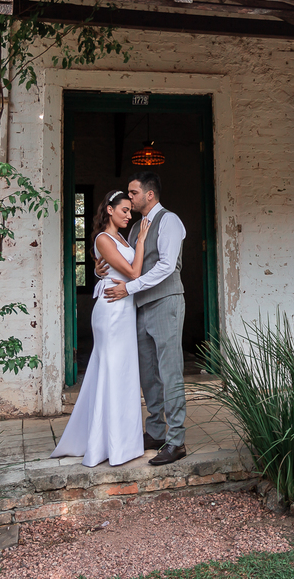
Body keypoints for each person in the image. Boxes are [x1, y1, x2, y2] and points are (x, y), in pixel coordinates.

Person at [50, 191, 149, 467]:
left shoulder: (119, 238)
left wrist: (100, 267)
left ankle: (122, 442)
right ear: (109, 210)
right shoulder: (104, 239)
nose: (130, 216)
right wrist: (141, 242)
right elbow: (133, 273)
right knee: (111, 371)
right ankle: (107, 443)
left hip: (125, 308)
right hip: (111, 310)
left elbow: (115, 269)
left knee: (124, 373)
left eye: (131, 211)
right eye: (125, 210)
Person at [99, 171, 188, 466]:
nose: (130, 198)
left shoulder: (170, 221)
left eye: (133, 193)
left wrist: (130, 288)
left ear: (149, 195)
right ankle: (156, 431)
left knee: (170, 372)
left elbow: (165, 266)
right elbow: (124, 262)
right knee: (148, 374)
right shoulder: (135, 226)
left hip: (166, 302)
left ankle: (177, 440)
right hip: (140, 308)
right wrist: (102, 271)